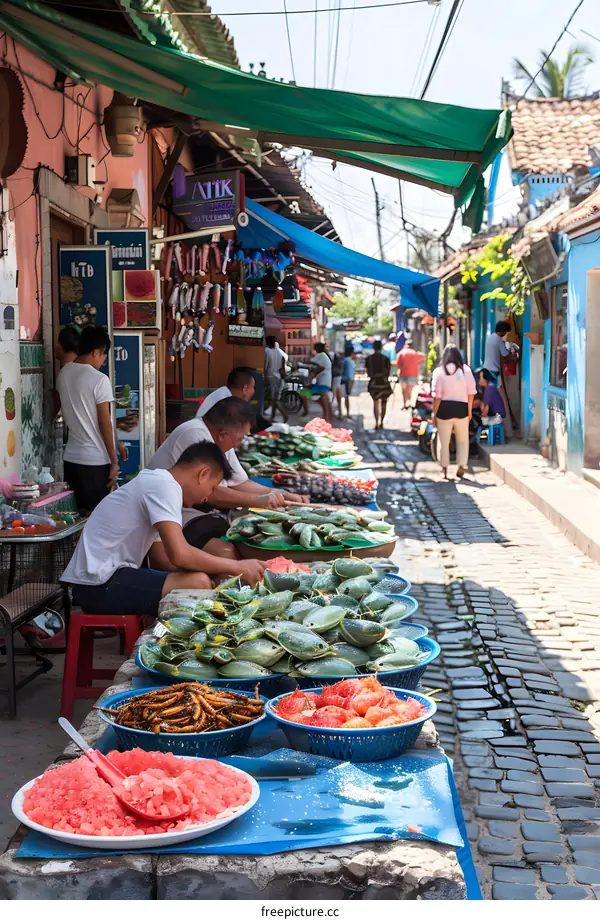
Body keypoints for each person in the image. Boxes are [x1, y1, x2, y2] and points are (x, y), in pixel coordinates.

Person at [62, 441, 267, 617]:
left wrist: (218, 572)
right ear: (203, 474)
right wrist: (238, 567)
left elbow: (163, 559)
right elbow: (180, 555)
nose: (207, 497)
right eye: (212, 488)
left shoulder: (160, 483)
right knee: (197, 583)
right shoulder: (164, 486)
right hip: (98, 585)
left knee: (201, 579)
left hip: (102, 582)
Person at [56, 325, 127, 513]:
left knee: (77, 516)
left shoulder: (63, 374)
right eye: (104, 354)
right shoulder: (99, 380)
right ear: (96, 351)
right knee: (96, 518)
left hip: (71, 460)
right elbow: (104, 422)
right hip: (95, 462)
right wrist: (113, 461)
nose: (103, 360)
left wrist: (117, 443)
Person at [431, 344, 477, 481]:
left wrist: (434, 414)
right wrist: (469, 411)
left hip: (444, 409)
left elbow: (437, 397)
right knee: (463, 440)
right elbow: (471, 393)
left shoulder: (439, 372)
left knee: (443, 441)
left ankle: (444, 470)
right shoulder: (466, 370)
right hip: (462, 408)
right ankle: (462, 465)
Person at [483, 320, 518, 437]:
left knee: (490, 399)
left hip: (486, 370)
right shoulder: (499, 341)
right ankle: (507, 430)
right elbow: (505, 355)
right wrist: (513, 350)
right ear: (503, 332)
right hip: (494, 372)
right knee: (500, 400)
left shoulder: (490, 338)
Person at [299, 343, 333, 423]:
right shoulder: (323, 356)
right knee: (320, 398)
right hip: (324, 382)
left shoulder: (321, 356)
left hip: (323, 384)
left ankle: (306, 412)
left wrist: (313, 373)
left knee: (302, 393)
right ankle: (326, 416)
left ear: (316, 349)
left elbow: (311, 363)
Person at [365, 340, 393, 430]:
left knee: (375, 402)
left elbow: (368, 372)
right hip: (384, 384)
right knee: (384, 403)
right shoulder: (386, 359)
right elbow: (388, 372)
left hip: (373, 384)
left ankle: (376, 422)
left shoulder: (369, 359)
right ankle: (382, 422)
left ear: (373, 348)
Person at [264, 336, 289, 422]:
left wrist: (265, 377)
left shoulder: (267, 351)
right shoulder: (278, 352)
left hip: (270, 376)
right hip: (278, 376)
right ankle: (273, 416)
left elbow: (266, 365)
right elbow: (282, 363)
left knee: (273, 399)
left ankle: (284, 415)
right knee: (275, 397)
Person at [396, 339, 426, 410]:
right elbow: (423, 357)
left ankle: (405, 404)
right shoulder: (415, 353)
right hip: (413, 374)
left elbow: (398, 364)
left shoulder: (401, 353)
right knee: (410, 389)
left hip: (403, 374)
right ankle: (410, 402)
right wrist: (416, 362)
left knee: (404, 390)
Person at [339, 344, 355, 419]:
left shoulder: (345, 361)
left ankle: (342, 413)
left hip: (345, 381)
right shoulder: (349, 361)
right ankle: (345, 413)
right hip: (346, 381)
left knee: (343, 398)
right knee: (345, 398)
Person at [330, 350, 343, 419]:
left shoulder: (334, 355)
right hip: (335, 377)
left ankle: (336, 412)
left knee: (334, 394)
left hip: (335, 377)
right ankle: (337, 412)